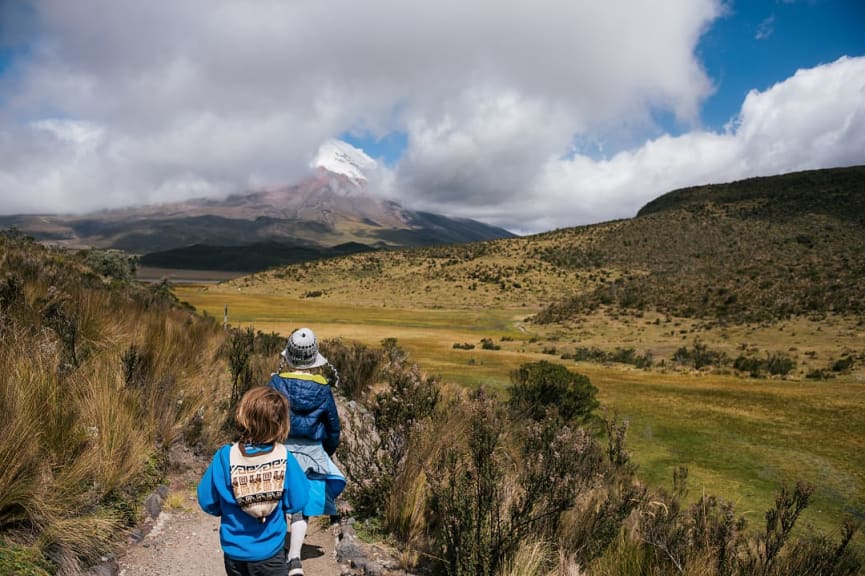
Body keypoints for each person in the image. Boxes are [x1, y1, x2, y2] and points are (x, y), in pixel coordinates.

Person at [198, 387, 310, 576]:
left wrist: (227, 508)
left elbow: (207, 500)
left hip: (234, 553)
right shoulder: (283, 458)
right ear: (281, 423)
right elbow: (298, 501)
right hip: (270, 552)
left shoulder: (225, 457)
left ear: (243, 416)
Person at [267, 327, 345, 576]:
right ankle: (295, 559)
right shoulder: (323, 388)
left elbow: (266, 416)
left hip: (279, 449)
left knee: (278, 503)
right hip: (312, 454)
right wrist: (326, 453)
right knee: (301, 507)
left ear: (288, 355)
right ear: (314, 358)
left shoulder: (276, 382)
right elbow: (333, 427)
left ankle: (276, 552)